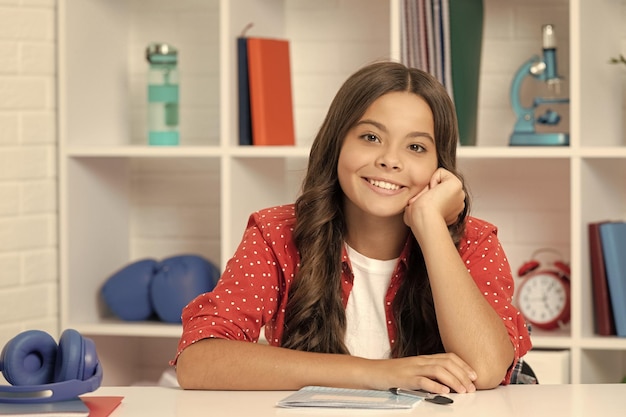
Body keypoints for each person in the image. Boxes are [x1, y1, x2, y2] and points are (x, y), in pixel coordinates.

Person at [172, 61, 532, 394]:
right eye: (371, 137)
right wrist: (377, 373)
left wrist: (430, 225)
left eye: (416, 147)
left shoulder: (474, 241)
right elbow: (198, 362)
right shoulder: (276, 234)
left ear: (440, 166)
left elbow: (484, 368)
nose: (390, 160)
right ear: (337, 143)